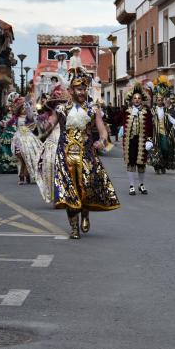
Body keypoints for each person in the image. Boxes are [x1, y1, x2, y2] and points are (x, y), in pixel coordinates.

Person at [49, 67, 120, 239]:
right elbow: (48, 125)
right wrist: (37, 128)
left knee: (86, 187)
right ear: (70, 90)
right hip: (65, 155)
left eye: (84, 89)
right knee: (69, 190)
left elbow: (102, 130)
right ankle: (74, 227)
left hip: (86, 154)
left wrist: (102, 141)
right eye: (78, 89)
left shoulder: (92, 109)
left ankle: (85, 212)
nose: (82, 92)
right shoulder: (61, 110)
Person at [36, 84, 66, 203]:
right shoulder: (53, 114)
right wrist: (42, 124)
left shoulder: (70, 110)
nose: (60, 105)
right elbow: (47, 127)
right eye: (57, 103)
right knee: (54, 167)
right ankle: (58, 196)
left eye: (62, 102)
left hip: (69, 141)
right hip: (54, 142)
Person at [122, 82, 153, 195]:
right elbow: (116, 120)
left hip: (142, 140)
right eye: (135, 98)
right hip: (130, 141)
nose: (137, 100)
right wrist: (102, 116)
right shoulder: (126, 111)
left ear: (141, 99)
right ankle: (131, 186)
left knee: (141, 163)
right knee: (130, 163)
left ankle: (141, 184)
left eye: (139, 98)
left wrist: (149, 139)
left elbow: (150, 127)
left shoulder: (147, 112)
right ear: (132, 99)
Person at [149, 76, 175, 174]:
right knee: (156, 150)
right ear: (156, 101)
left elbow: (171, 119)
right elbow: (148, 121)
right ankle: (157, 167)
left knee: (165, 149)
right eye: (158, 100)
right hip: (155, 133)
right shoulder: (152, 110)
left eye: (161, 100)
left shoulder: (166, 110)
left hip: (165, 132)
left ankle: (163, 165)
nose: (160, 101)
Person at [9, 97, 41, 185]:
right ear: (19, 109)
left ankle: (25, 176)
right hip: (18, 139)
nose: (23, 110)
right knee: (21, 157)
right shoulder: (16, 118)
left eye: (25, 108)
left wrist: (29, 108)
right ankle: (24, 175)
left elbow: (34, 121)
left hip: (28, 139)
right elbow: (8, 123)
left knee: (27, 157)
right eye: (22, 108)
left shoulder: (29, 117)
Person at [0, 92, 19, 174]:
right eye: (11, 106)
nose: (11, 108)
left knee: (16, 151)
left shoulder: (18, 116)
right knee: (6, 150)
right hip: (8, 135)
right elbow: (6, 123)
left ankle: (16, 166)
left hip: (16, 135)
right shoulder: (8, 115)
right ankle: (8, 167)